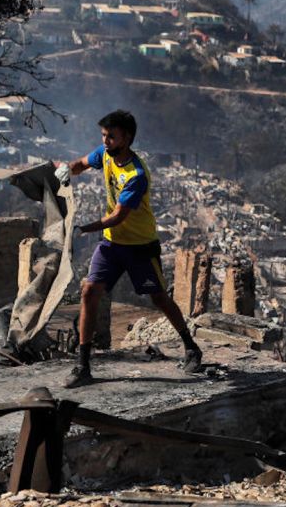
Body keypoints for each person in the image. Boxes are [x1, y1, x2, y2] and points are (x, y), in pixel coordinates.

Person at [57, 109, 202, 388]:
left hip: (139, 246)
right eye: (104, 135)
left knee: (159, 298)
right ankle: (83, 366)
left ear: (128, 138)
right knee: (89, 291)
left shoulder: (136, 175)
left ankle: (191, 346)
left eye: (111, 136)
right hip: (112, 244)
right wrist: (67, 169)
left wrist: (83, 229)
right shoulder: (105, 154)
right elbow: (81, 163)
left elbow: (118, 216)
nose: (106, 141)